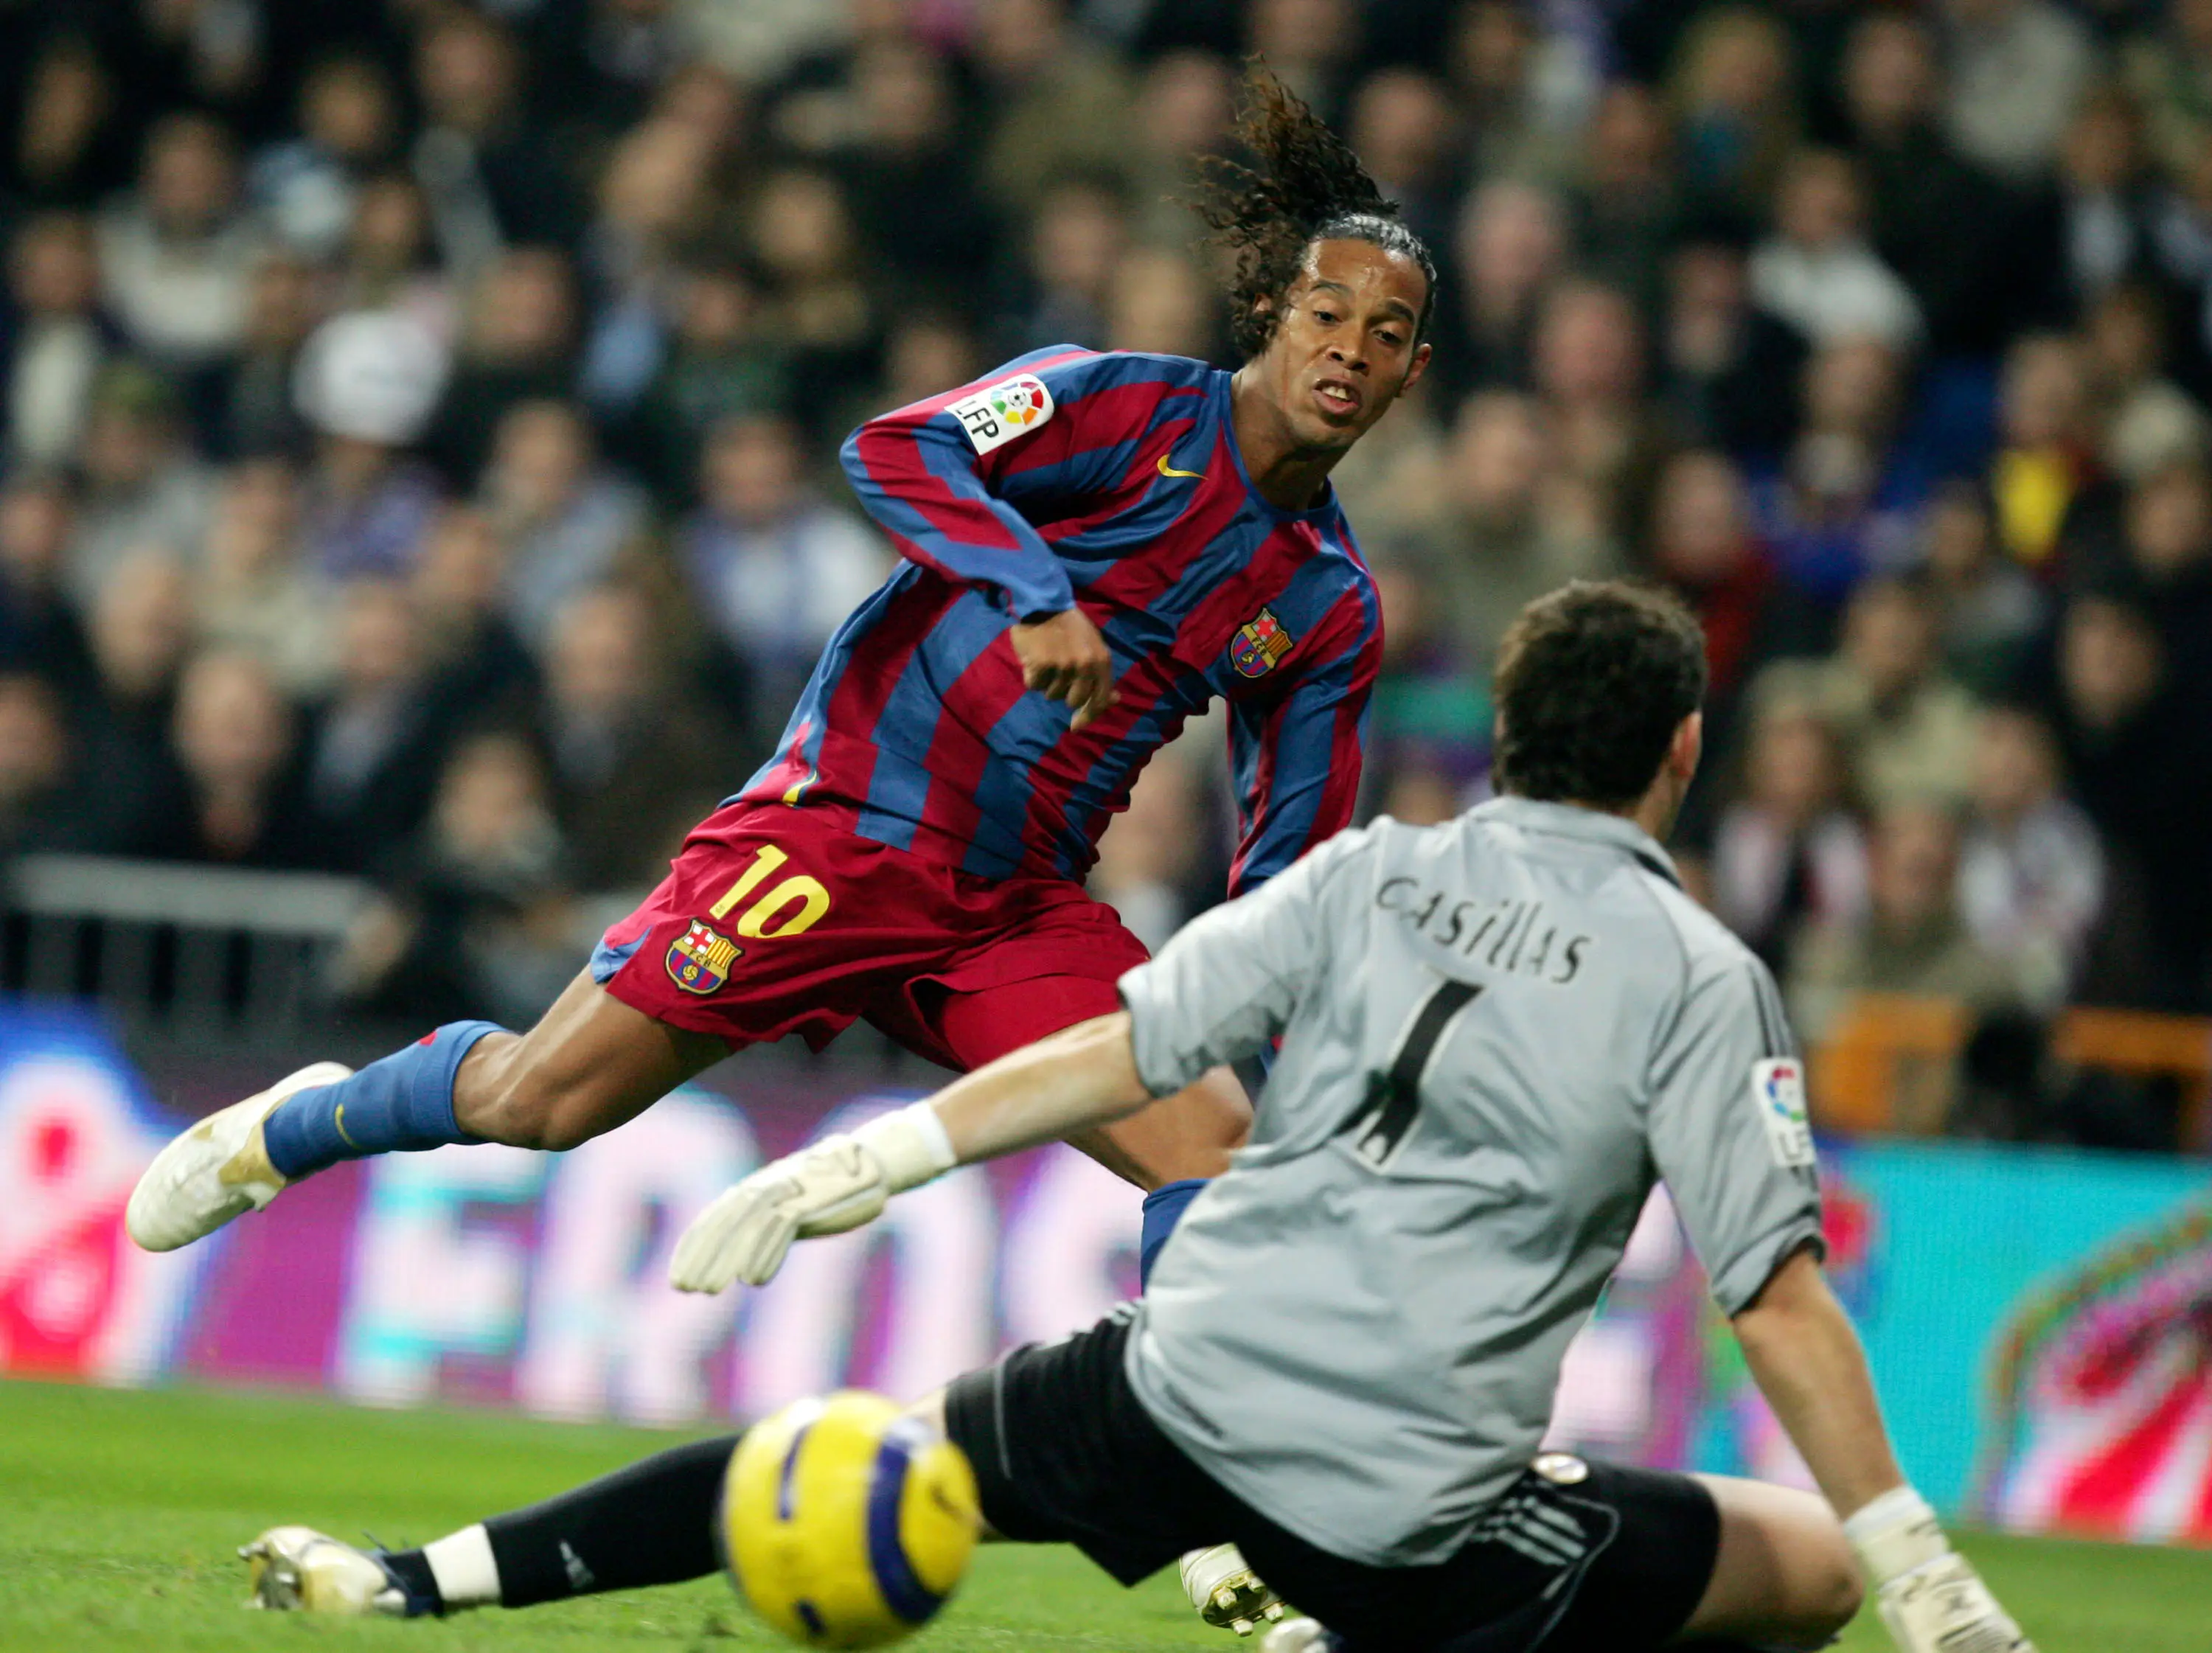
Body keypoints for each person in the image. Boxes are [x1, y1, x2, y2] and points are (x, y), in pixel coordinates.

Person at [128, 72, 1431, 1618]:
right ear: (1272, 309)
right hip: (837, 831)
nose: (1350, 351)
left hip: (1012, 912)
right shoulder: (1126, 406)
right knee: (541, 1102)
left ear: (1417, 368)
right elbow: (896, 454)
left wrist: (1299, 1029)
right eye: (1329, 314)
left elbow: (1283, 859)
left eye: (1390, 332)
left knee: (1221, 1147)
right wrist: (1036, 591)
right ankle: (297, 1124)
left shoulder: (1326, 600)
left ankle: (1197, 1490)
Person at [235, 583, 2035, 1653]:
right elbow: (1777, 1296)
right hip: (1410, 1501)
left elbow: (1124, 1048)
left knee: (853, 1446)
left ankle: (411, 1583)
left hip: (1179, 1389)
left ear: (1497, 733)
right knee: (1792, 1580)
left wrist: (867, 1153)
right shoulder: (1705, 979)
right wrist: (1911, 1553)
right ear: (1685, 752)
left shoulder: (1367, 876)